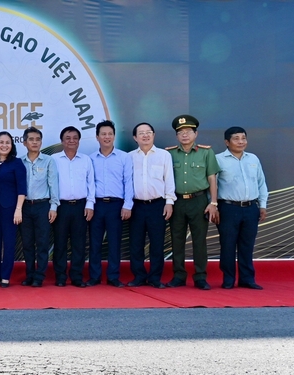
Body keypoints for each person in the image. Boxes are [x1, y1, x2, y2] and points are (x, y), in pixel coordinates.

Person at [165, 114, 219, 290]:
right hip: (177, 201)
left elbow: (212, 178)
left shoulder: (206, 152)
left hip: (199, 201)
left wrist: (214, 203)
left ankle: (200, 277)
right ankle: (179, 275)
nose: (185, 135)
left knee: (199, 240)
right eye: (181, 132)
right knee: (177, 239)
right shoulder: (169, 153)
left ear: (196, 134)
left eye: (188, 131)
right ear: (176, 136)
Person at [215, 126, 268, 290]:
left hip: (251, 208)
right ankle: (228, 279)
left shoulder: (253, 159)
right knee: (228, 245)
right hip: (228, 208)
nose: (240, 141)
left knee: (247, 245)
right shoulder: (218, 159)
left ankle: (247, 279)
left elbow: (261, 183)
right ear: (227, 142)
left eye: (243, 138)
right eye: (236, 138)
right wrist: (214, 206)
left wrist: (263, 205)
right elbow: (212, 186)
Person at [127, 123, 175, 289]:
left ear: (153, 135)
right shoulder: (130, 157)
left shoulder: (164, 155)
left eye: (148, 133)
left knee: (157, 243)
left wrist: (169, 202)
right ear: (135, 137)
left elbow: (169, 179)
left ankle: (155, 278)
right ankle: (139, 276)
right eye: (141, 133)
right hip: (136, 206)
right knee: (136, 243)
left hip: (157, 205)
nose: (145, 136)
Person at [88, 120, 133, 288]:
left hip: (116, 205)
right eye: (103, 134)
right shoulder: (90, 159)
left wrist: (127, 205)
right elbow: (89, 184)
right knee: (94, 242)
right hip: (97, 205)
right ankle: (94, 276)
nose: (107, 137)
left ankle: (113, 276)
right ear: (97, 137)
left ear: (114, 136)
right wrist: (90, 205)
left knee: (114, 242)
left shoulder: (124, 157)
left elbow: (128, 182)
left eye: (110, 134)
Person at [52, 126, 95, 287]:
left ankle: (77, 276)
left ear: (79, 141)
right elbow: (51, 184)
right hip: (60, 206)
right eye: (68, 138)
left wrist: (90, 204)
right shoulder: (54, 160)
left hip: (80, 206)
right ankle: (61, 276)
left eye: (75, 138)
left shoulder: (86, 160)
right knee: (60, 242)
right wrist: (53, 207)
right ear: (62, 141)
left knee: (79, 243)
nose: (71, 141)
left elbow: (91, 184)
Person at [19, 127, 59, 288]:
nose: (35, 142)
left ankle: (39, 276)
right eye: (31, 139)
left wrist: (54, 207)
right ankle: (29, 274)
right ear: (24, 142)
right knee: (27, 243)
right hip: (25, 207)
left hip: (43, 206)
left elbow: (53, 185)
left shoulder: (49, 161)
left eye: (37, 139)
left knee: (42, 243)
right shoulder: (19, 162)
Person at [0, 132, 27, 288]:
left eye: (7, 142)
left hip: (11, 209)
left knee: (9, 243)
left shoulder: (17, 163)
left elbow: (22, 188)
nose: (4, 145)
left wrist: (18, 209)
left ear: (12, 145)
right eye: (1, 142)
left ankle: (5, 276)